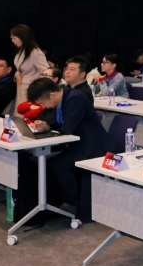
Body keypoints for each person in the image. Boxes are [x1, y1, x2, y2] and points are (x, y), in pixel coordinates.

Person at [21, 77, 108, 212]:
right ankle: (54, 200)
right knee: (36, 160)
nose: (44, 107)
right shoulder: (63, 97)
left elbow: (67, 129)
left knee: (59, 164)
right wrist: (47, 127)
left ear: (52, 95)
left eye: (43, 103)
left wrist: (50, 130)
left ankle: (75, 204)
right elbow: (60, 122)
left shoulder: (75, 98)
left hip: (92, 146)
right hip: (77, 143)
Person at [10, 24, 48, 107]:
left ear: (23, 37)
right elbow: (20, 68)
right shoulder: (21, 51)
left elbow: (46, 71)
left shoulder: (35, 52)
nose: (12, 41)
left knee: (28, 112)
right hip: (22, 87)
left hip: (31, 90)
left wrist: (36, 86)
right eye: (12, 38)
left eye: (14, 38)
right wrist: (17, 74)